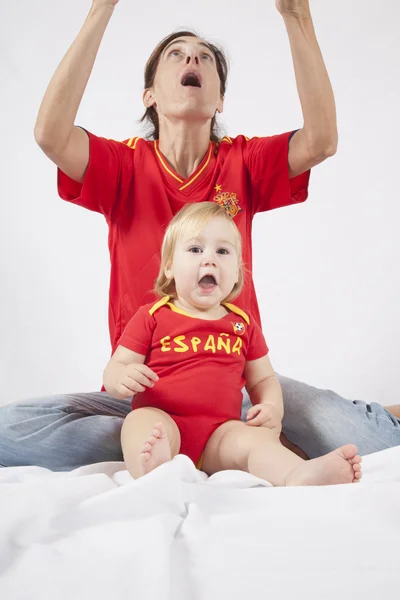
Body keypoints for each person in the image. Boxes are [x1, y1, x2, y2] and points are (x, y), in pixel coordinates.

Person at [0, 0, 399, 471]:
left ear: (220, 100)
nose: (191, 60)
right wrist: (102, 8)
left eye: (204, 58)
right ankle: (234, 448)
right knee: (11, 433)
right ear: (149, 94)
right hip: (149, 397)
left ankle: (249, 437)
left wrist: (297, 17)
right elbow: (50, 134)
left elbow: (321, 140)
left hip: (231, 386)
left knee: (368, 442)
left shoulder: (243, 162)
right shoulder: (124, 166)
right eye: (176, 54)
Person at [105, 201, 362, 485]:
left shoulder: (242, 324)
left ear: (238, 272)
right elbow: (118, 365)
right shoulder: (153, 316)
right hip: (165, 420)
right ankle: (153, 469)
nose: (209, 259)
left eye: (223, 251)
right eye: (195, 249)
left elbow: (263, 378)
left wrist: (273, 408)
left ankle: (296, 474)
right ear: (169, 267)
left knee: (253, 442)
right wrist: (121, 378)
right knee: (139, 424)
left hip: (220, 434)